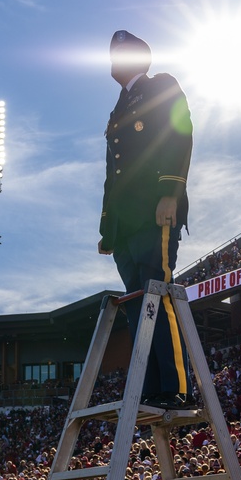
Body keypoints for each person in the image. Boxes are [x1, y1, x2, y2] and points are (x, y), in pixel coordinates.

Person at [97, 30, 194, 409]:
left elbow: (179, 136)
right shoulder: (118, 109)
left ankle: (175, 389)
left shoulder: (161, 86)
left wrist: (170, 193)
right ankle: (151, 389)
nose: (113, 59)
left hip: (155, 214)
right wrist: (108, 228)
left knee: (160, 295)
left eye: (120, 52)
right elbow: (113, 174)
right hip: (127, 225)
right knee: (139, 306)